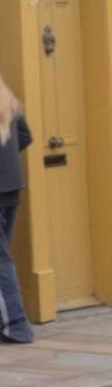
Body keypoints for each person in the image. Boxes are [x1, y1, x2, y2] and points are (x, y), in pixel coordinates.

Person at [0, 73, 32, 344]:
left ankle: (17, 326)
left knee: (1, 260)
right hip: (11, 189)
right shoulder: (9, 101)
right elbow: (25, 136)